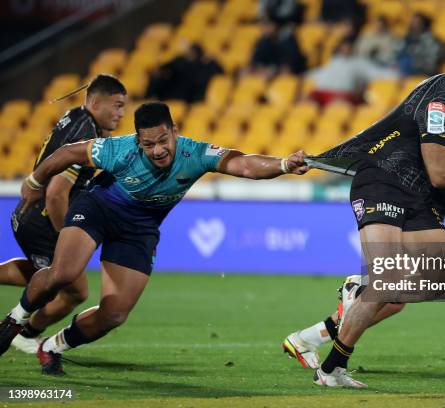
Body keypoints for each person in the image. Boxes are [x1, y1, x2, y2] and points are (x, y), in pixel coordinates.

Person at [0, 101, 309, 375]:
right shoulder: (120, 150)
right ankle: (15, 320)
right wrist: (35, 180)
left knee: (115, 314)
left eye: (163, 140)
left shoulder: (194, 153)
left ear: (174, 130)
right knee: (64, 273)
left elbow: (243, 164)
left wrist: (282, 165)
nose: (158, 150)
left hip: (139, 229)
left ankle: (52, 347)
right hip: (98, 209)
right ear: (138, 140)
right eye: (149, 145)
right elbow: (67, 153)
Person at [302, 31, 445, 387]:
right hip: (383, 182)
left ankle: (356, 296)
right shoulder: (441, 98)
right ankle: (331, 369)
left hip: (417, 198)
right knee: (388, 280)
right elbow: (439, 173)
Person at [0, 74, 126, 354]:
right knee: (74, 290)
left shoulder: (76, 116)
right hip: (43, 219)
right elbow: (57, 193)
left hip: (30, 213)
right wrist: (67, 237)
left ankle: (27, 331)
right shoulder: (86, 134)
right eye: (117, 105)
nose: (121, 113)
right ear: (95, 101)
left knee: (42, 273)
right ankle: (26, 332)